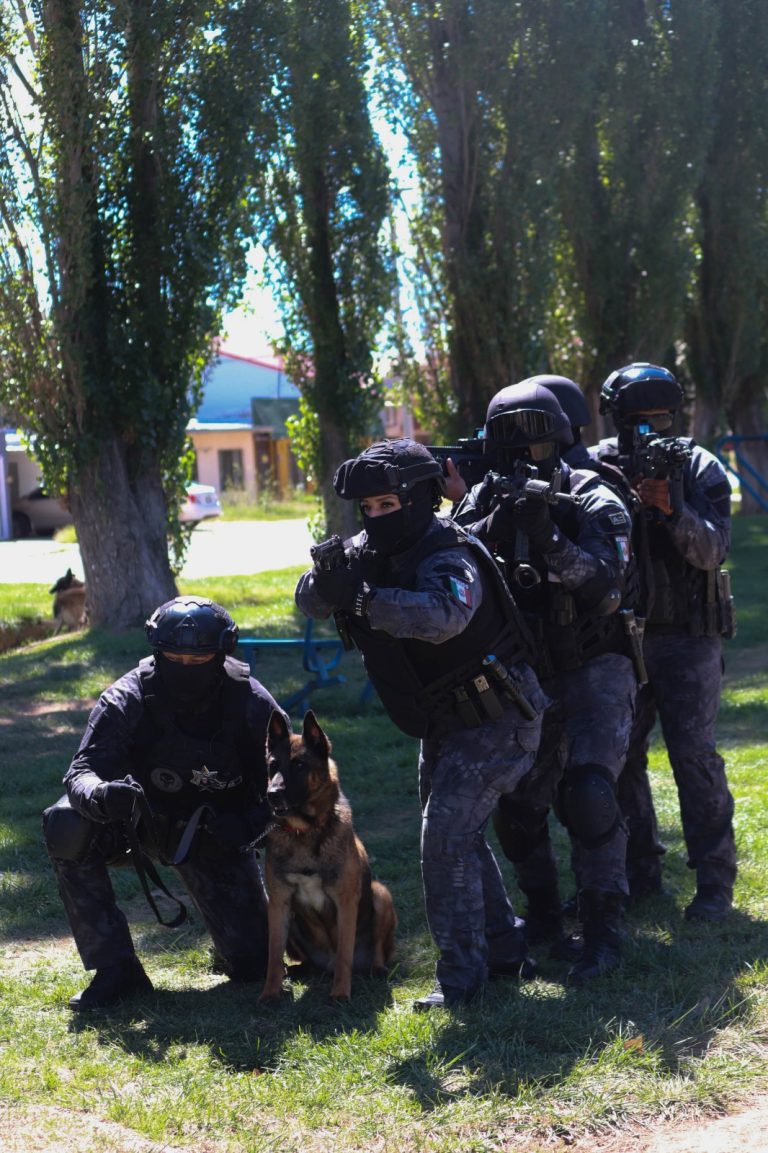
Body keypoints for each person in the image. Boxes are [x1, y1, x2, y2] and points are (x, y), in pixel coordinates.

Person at [294, 438, 549, 1011]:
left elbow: (443, 616)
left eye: (388, 504)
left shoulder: (449, 553)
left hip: (499, 717)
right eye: (369, 508)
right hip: (444, 720)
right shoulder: (367, 551)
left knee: (445, 840)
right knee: (457, 836)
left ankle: (462, 979)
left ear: (417, 499)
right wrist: (326, 584)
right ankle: (506, 948)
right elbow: (311, 598)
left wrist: (361, 600)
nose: (377, 518)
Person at [453, 380, 640, 983]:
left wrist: (550, 535)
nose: (519, 462)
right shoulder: (481, 500)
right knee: (518, 805)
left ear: (558, 442)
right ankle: (542, 916)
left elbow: (607, 589)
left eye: (531, 448)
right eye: (508, 450)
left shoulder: (593, 494)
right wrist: (495, 524)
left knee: (589, 793)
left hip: (593, 663)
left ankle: (603, 926)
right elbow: (452, 569)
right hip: (523, 671)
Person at [43, 595, 284, 1011]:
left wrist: (253, 823)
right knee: (67, 824)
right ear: (157, 652)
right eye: (174, 657)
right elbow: (79, 772)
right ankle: (116, 969)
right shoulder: (127, 698)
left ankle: (232, 944)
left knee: (254, 965)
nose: (185, 668)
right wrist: (102, 796)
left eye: (200, 658)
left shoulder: (252, 703)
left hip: (217, 836)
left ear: (221, 654)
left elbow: (293, 785)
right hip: (138, 826)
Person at [594, 362, 736, 920]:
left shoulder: (699, 468)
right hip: (618, 638)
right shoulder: (597, 467)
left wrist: (672, 509)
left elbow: (712, 552)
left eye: (657, 421)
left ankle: (715, 882)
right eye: (637, 423)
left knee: (694, 758)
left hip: (686, 637)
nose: (648, 433)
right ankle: (640, 873)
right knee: (620, 758)